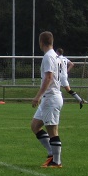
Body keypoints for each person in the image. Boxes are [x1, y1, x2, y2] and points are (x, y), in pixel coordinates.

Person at [31, 31, 64, 168]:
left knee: (52, 130)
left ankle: (56, 161)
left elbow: (49, 78)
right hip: (49, 98)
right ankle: (51, 153)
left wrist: (37, 96)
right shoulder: (56, 56)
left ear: (41, 42)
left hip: (51, 98)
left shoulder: (48, 57)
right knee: (35, 126)